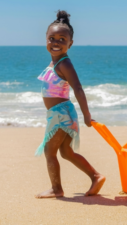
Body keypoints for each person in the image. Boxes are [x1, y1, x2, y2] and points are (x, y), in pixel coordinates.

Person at [35, 10, 106, 198]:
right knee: (66, 152)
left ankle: (56, 189)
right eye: (52, 38)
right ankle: (96, 176)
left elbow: (78, 88)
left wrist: (87, 116)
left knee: (50, 152)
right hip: (61, 113)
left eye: (62, 39)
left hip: (61, 114)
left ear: (70, 43)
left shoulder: (64, 64)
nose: (56, 42)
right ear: (46, 39)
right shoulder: (55, 63)